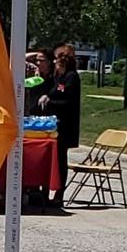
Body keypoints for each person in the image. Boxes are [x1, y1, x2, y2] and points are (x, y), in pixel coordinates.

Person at [39, 43, 81, 208]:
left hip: (65, 126)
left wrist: (50, 102)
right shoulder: (57, 78)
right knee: (49, 158)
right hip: (51, 124)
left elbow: (68, 102)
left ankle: (59, 194)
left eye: (57, 59)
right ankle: (44, 191)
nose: (55, 62)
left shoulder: (72, 77)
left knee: (61, 160)